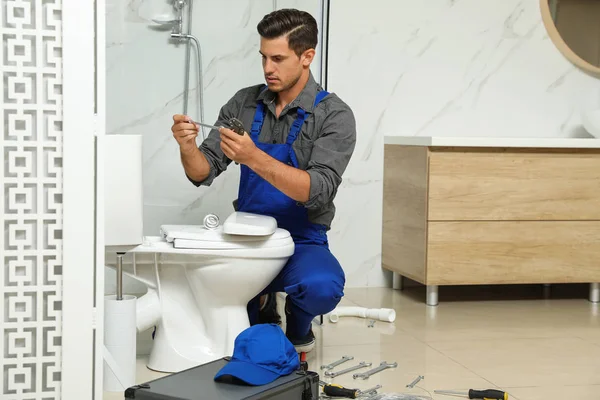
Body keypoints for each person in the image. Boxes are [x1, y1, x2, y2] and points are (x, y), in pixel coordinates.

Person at [171, 8, 356, 353]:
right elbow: (202, 171)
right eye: (263, 57)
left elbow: (317, 190)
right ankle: (260, 303)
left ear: (307, 57)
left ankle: (299, 323)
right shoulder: (243, 103)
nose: (268, 68)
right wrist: (187, 147)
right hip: (248, 238)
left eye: (278, 58)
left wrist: (253, 156)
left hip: (303, 238)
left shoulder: (334, 115)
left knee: (321, 287)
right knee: (231, 324)